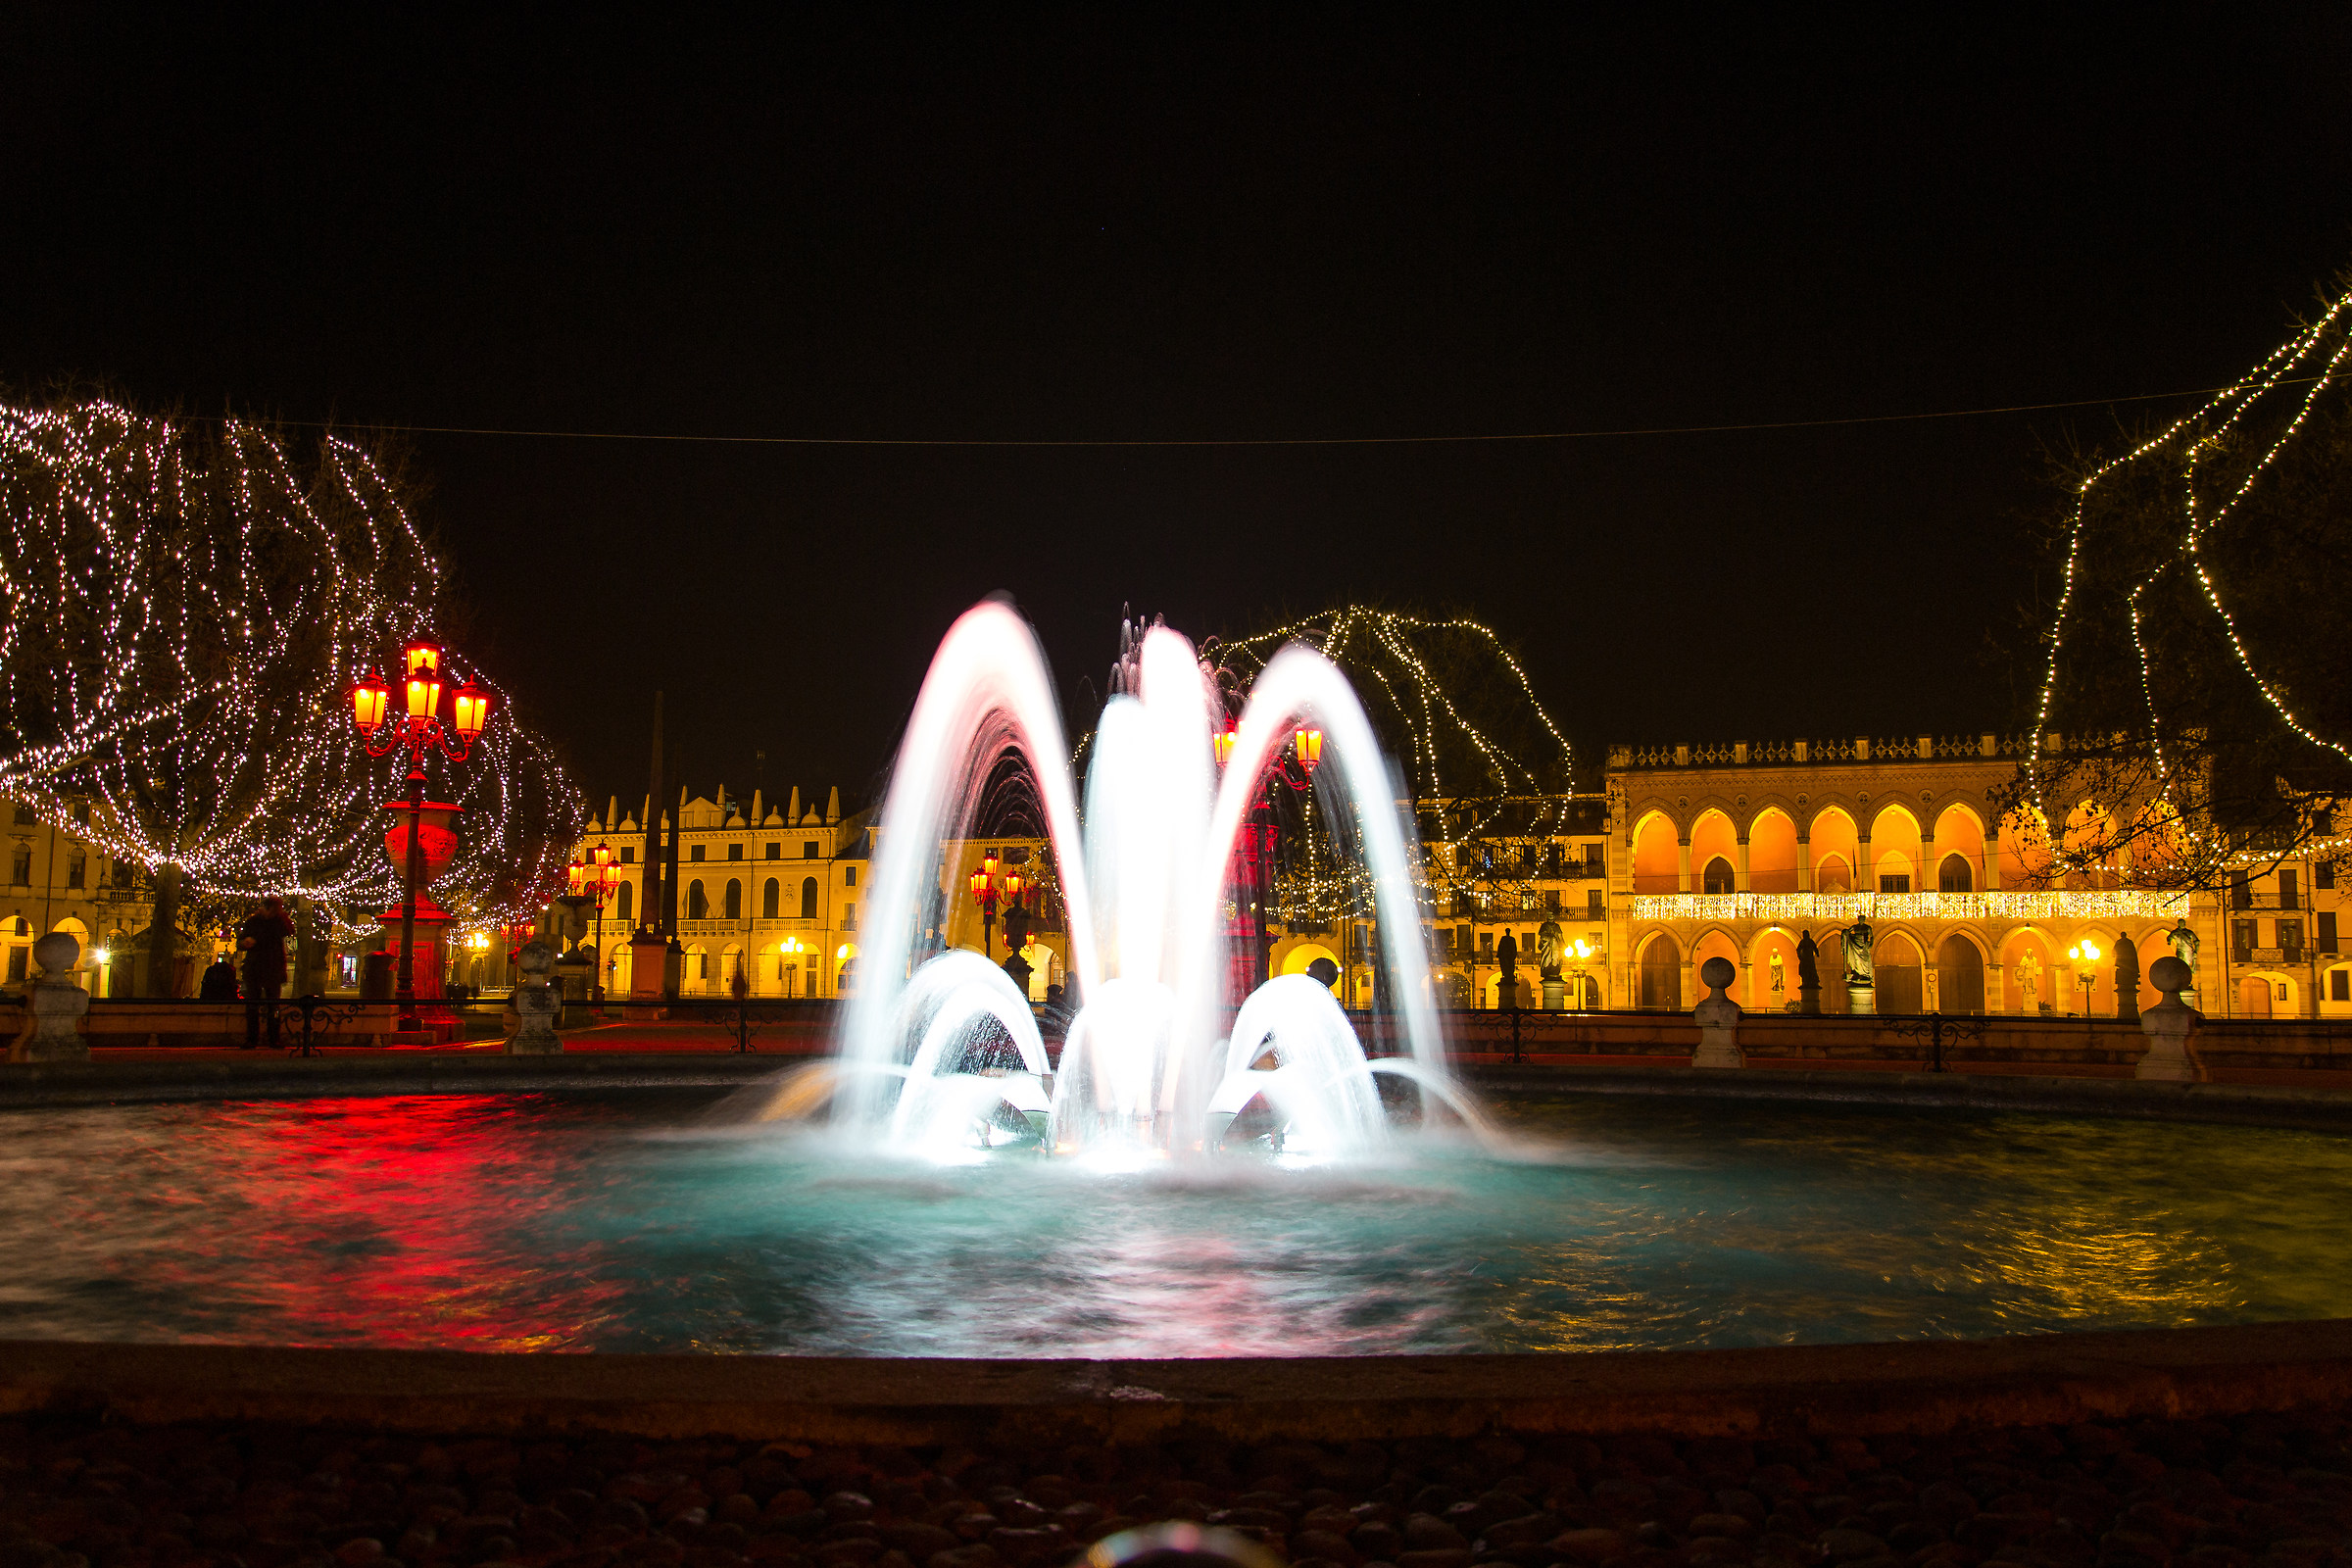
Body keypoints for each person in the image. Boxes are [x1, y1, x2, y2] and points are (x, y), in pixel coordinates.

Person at [237, 895, 295, 1049]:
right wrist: (244, 943)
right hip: (259, 967)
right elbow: (241, 941)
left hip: (271, 967)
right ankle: (254, 1038)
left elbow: (288, 930)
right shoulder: (253, 921)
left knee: (273, 1005)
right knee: (254, 1005)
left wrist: (252, 941)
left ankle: (272, 1038)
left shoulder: (279, 922)